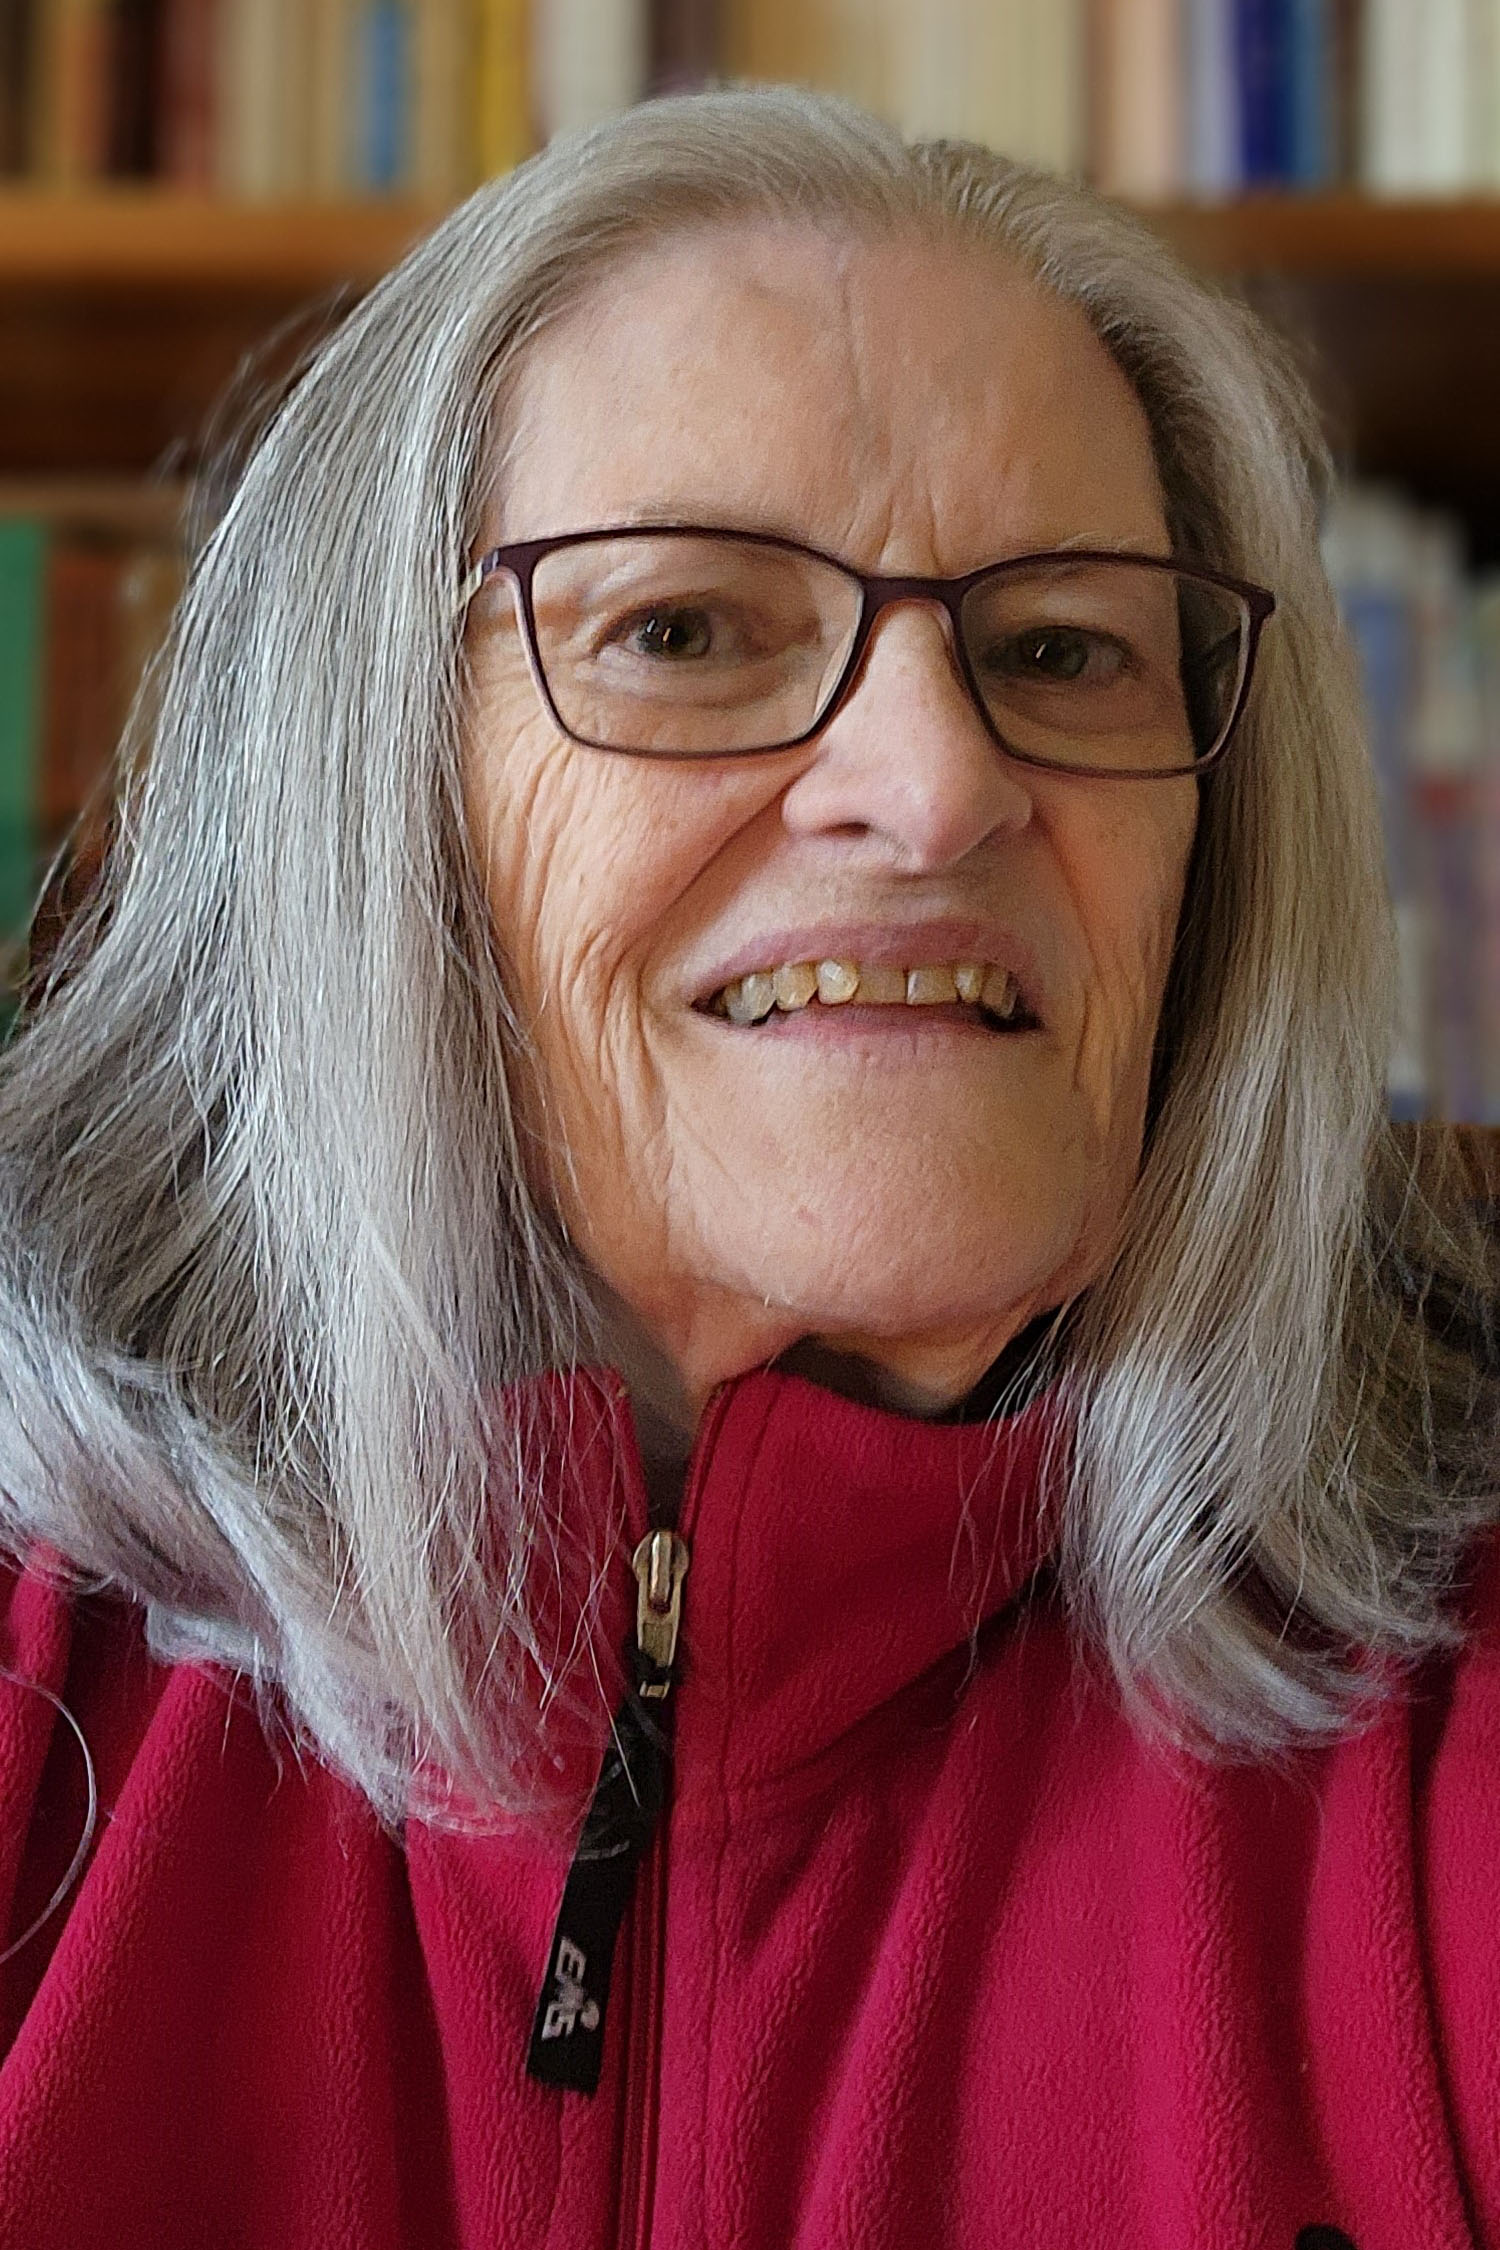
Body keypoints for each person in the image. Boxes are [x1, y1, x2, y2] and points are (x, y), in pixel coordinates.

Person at [0, 83, 1495, 2250]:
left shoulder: (1448, 1715)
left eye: (1062, 647)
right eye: (687, 630)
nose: (936, 784)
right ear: (368, 795)